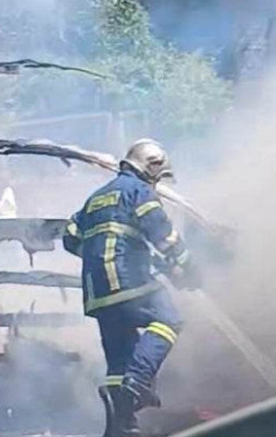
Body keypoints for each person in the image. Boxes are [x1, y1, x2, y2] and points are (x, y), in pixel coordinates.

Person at [63, 138, 201, 437]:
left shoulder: (96, 197)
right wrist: (190, 268)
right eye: (158, 177)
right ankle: (137, 386)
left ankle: (121, 426)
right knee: (168, 320)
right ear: (150, 167)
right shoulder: (138, 191)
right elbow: (165, 235)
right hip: (125, 280)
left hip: (96, 291)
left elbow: (70, 237)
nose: (157, 184)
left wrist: (108, 255)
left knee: (119, 356)